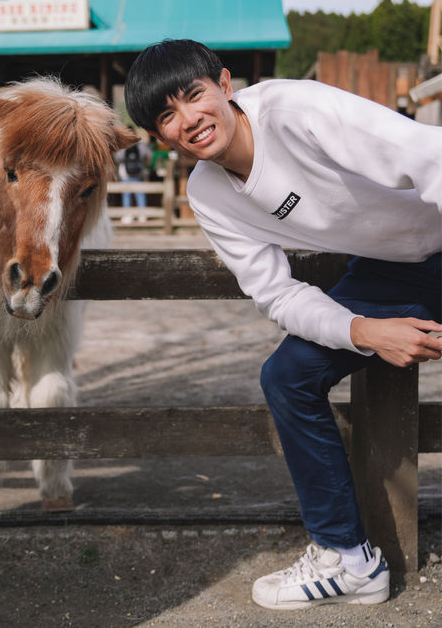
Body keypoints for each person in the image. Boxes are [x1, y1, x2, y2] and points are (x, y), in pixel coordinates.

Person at [123, 38, 442, 610]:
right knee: (287, 376)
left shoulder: (297, 112)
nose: (188, 121)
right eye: (166, 117)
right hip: (393, 273)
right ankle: (347, 559)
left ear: (224, 84)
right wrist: (362, 331)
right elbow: (275, 293)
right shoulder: (209, 193)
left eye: (194, 97)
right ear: (158, 136)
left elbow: (433, 160)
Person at [114, 129, 151, 223]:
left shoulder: (123, 145)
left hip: (125, 174)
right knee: (140, 195)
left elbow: (117, 158)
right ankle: (142, 216)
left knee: (126, 195)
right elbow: (149, 156)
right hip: (139, 173)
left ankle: (127, 216)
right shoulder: (141, 145)